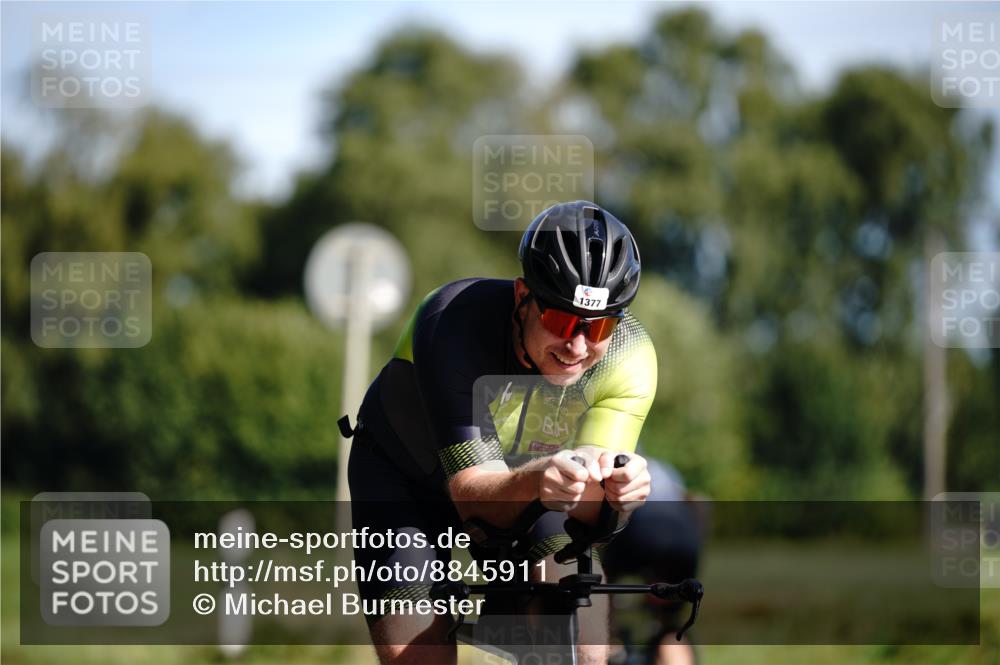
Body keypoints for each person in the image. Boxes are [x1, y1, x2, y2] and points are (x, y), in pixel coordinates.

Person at [345, 200, 657, 665]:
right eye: (560, 320)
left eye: (599, 327)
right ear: (522, 296)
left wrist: (617, 494)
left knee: (586, 643)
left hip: (535, 484)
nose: (577, 345)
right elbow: (473, 498)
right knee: (418, 654)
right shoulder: (453, 319)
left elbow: (586, 507)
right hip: (406, 479)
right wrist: (542, 479)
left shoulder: (629, 356)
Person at [603, 458, 704, 665]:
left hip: (636, 533)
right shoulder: (665, 469)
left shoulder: (613, 463)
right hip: (683, 539)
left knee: (605, 588)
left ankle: (612, 643)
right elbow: (699, 502)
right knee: (669, 620)